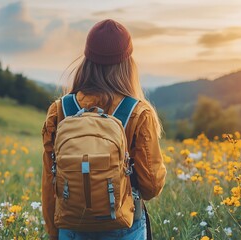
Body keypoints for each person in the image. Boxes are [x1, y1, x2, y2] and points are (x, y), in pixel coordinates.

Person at [42, 19, 167, 240]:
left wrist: (54, 232)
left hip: (71, 227)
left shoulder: (60, 110)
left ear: (87, 60)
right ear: (128, 63)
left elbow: (50, 183)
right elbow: (151, 187)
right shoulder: (138, 113)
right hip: (124, 226)